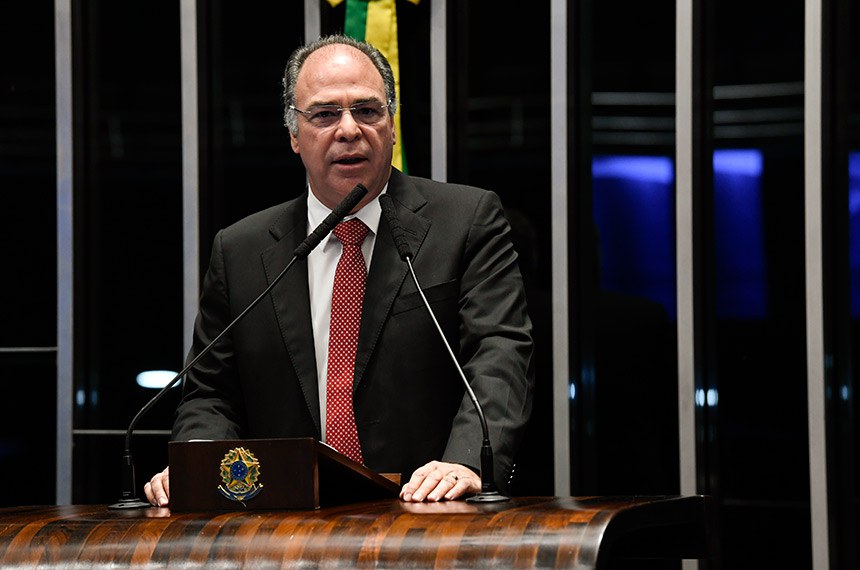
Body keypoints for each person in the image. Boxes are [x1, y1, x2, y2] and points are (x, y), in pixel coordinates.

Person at [144, 34, 534, 506]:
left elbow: (498, 353)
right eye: (325, 114)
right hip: (286, 523)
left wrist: (467, 460)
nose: (349, 130)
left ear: (392, 126)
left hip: (430, 513)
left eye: (367, 111)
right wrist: (200, 466)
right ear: (293, 134)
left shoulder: (466, 221)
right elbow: (210, 393)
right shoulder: (242, 249)